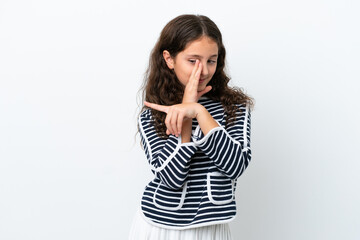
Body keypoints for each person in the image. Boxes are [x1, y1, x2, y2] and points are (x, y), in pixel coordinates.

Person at [129, 14, 254, 240]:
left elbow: (235, 165)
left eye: (211, 60)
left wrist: (199, 111)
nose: (203, 71)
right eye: (193, 60)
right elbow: (171, 178)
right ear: (169, 59)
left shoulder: (234, 107)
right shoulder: (153, 113)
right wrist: (185, 116)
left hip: (211, 228)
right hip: (159, 227)